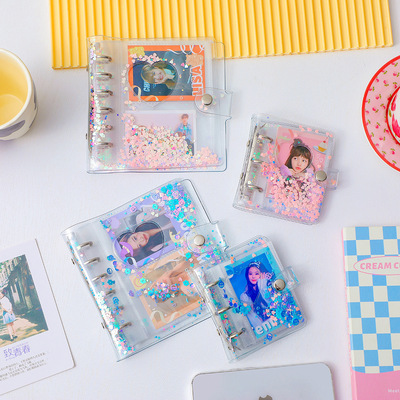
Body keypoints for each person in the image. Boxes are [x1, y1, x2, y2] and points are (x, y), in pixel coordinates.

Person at [240, 262, 271, 327]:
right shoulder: (245, 296)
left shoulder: (268, 287)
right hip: (263, 327)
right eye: (250, 274)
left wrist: (263, 287)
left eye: (256, 273)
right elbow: (253, 318)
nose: (253, 276)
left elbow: (271, 304)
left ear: (263, 274)